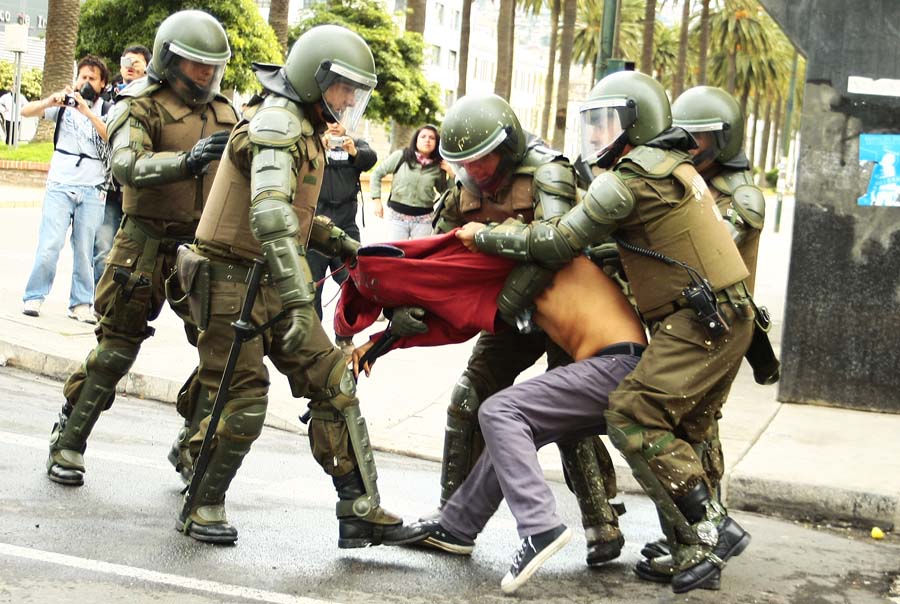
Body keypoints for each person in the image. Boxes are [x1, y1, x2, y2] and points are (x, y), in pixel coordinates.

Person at [456, 71, 755, 594]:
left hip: (698, 320)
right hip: (724, 317)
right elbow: (639, 244)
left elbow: (555, 242)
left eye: (607, 123)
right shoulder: (674, 169)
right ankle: (697, 538)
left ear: (637, 124)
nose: (596, 137)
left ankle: (712, 529)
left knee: (633, 412)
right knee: (683, 430)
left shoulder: (627, 179)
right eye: (592, 125)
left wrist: (488, 235)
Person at [178, 24, 414, 546]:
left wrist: (352, 250)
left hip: (271, 280)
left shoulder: (305, 127)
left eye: (355, 90)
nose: (349, 98)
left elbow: (298, 215)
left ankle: (359, 509)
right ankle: (202, 502)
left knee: (333, 380)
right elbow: (268, 213)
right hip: (229, 280)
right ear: (313, 79)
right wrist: (298, 296)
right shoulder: (278, 123)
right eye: (341, 86)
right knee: (242, 398)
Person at [366, 254, 646, 593]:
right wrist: (379, 341)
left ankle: (541, 526)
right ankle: (458, 525)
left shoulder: (533, 252)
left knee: (501, 411)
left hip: (615, 365)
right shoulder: (523, 266)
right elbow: (458, 314)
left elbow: (451, 291)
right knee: (515, 431)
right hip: (610, 364)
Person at [426, 93, 626, 566]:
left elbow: (557, 245)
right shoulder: (463, 189)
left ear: (509, 144)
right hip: (508, 313)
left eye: (484, 158)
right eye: (465, 163)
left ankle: (601, 522)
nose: (477, 171)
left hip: (566, 310)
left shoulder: (548, 172)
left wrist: (512, 299)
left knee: (567, 418)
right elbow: (439, 248)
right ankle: (451, 520)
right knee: (468, 397)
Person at [45, 11, 238, 489]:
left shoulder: (226, 113)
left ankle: (194, 447)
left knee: (223, 357)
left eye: (212, 68)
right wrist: (186, 161)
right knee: (115, 351)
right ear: (171, 61)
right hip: (143, 244)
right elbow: (127, 164)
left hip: (200, 249)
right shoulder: (138, 105)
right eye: (196, 66)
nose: (205, 76)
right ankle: (68, 440)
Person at [632, 84, 768, 585]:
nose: (694, 149)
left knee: (694, 432)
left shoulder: (740, 195)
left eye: (705, 140)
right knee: (686, 430)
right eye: (686, 139)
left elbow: (705, 250)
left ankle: (705, 546)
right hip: (691, 322)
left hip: (719, 325)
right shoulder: (688, 182)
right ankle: (691, 540)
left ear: (726, 141)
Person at [21, 55, 111, 323]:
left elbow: (111, 134)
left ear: (102, 83)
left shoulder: (107, 108)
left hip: (93, 187)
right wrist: (51, 101)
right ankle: (34, 296)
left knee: (85, 249)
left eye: (91, 78)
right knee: (50, 244)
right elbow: (26, 111)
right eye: (82, 76)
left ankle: (81, 303)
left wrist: (86, 111)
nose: (85, 82)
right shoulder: (63, 107)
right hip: (60, 183)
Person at [308, 118, 377, 354]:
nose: (334, 125)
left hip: (346, 225)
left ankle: (344, 336)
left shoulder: (356, 145)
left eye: (339, 121)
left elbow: (371, 159)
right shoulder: (312, 144)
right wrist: (318, 145)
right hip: (316, 226)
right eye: (328, 120)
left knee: (353, 281)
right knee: (311, 284)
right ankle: (313, 341)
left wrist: (353, 150)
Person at [93, 44, 153, 288]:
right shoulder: (108, 99)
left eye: (135, 62)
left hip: (136, 191)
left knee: (131, 255)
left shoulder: (151, 99)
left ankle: (118, 301)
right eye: (125, 61)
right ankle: (99, 300)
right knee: (102, 248)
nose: (129, 66)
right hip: (109, 190)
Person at [369, 124, 451, 239]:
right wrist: (376, 200)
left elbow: (445, 191)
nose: (427, 140)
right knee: (396, 254)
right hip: (397, 218)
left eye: (432, 138)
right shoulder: (401, 156)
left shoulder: (439, 166)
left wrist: (452, 174)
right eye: (423, 136)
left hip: (424, 220)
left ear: (437, 143)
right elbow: (377, 174)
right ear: (416, 140)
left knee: (419, 256)